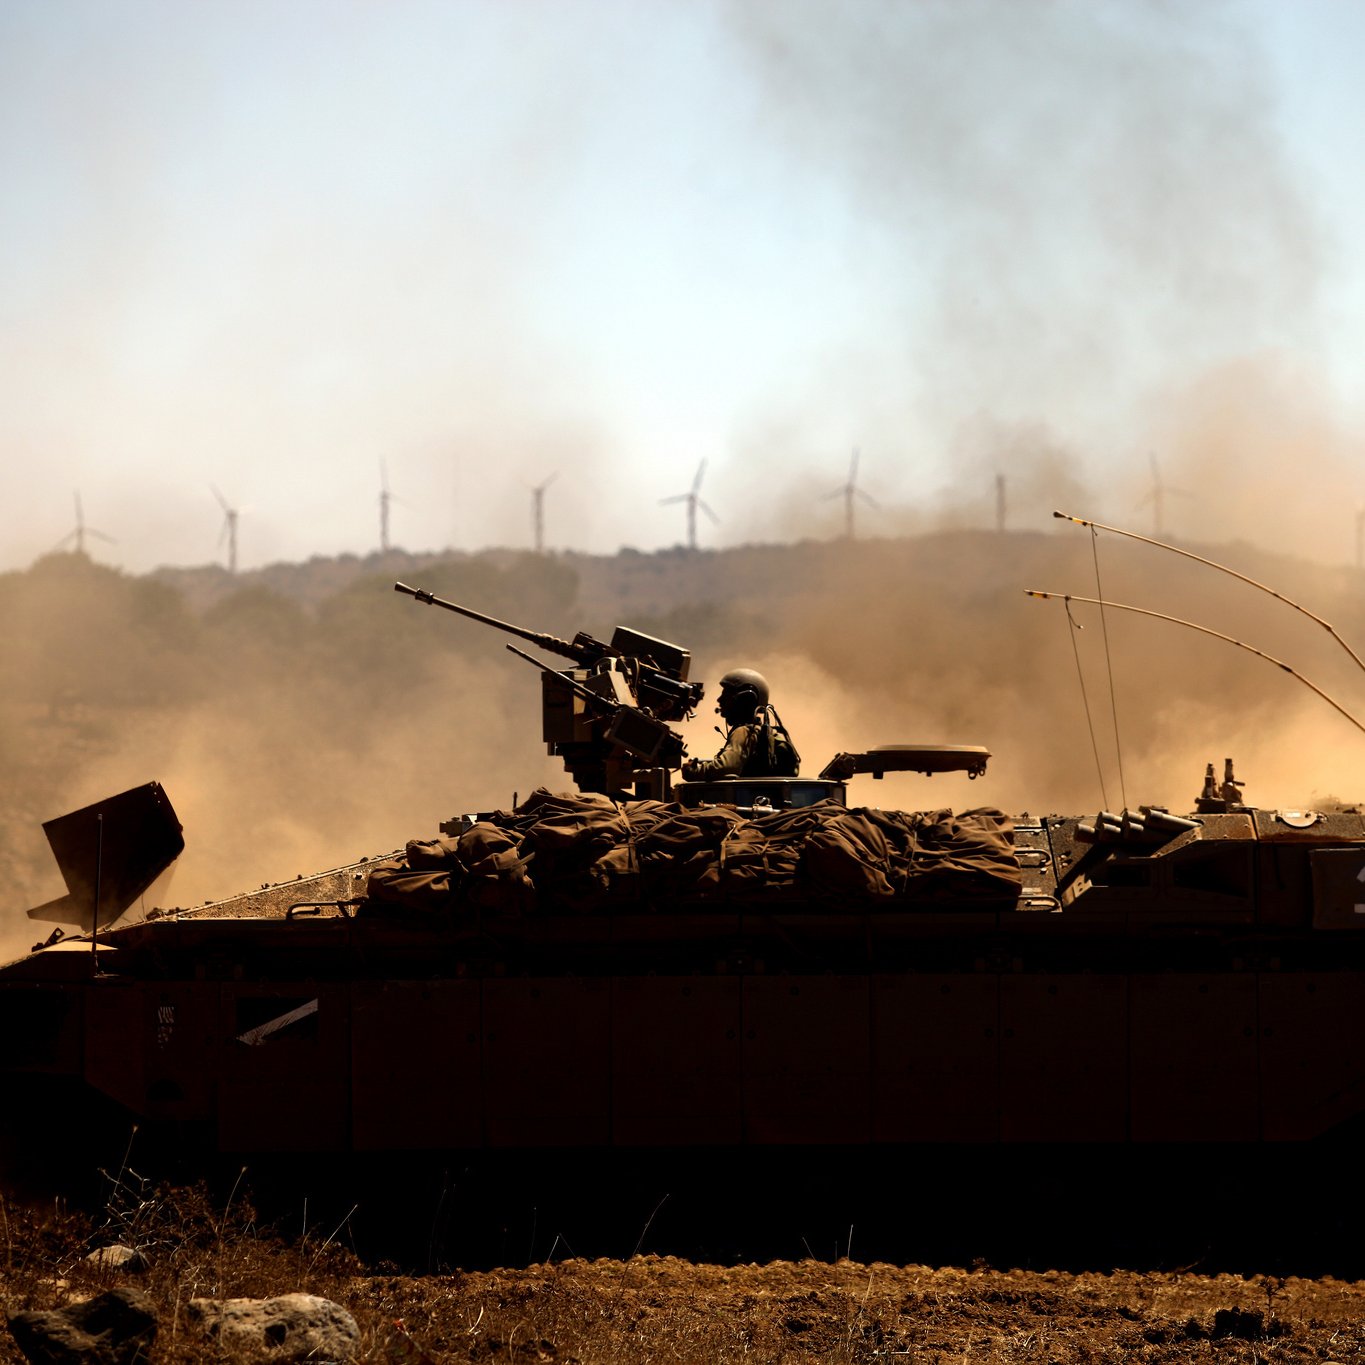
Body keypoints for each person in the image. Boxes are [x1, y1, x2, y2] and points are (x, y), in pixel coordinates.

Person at [681, 668, 800, 780]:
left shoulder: (743, 732)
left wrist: (694, 771)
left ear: (744, 700)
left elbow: (726, 767)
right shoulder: (769, 733)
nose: (719, 700)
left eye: (726, 695)